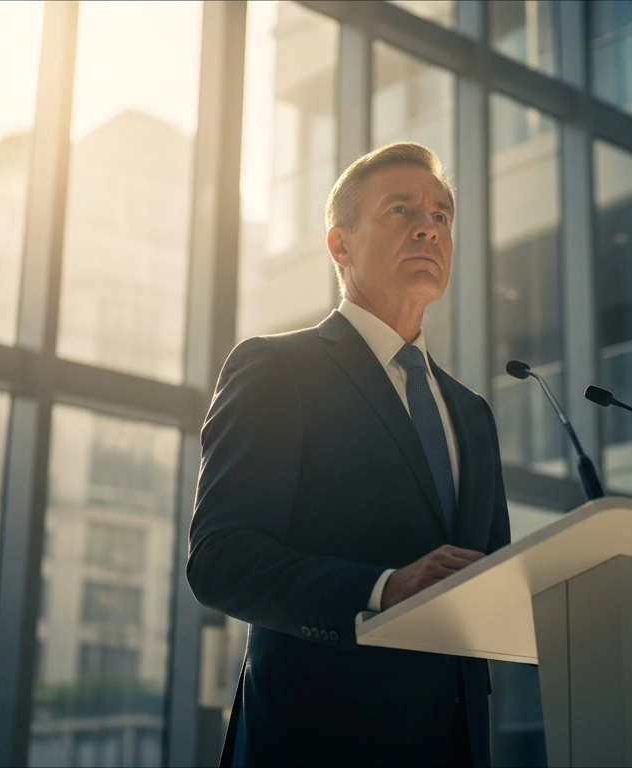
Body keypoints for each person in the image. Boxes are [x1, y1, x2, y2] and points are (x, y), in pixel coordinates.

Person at [187, 142, 512, 767]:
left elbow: (488, 580)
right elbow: (222, 561)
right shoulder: (277, 368)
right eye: (401, 209)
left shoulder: (472, 414)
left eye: (441, 215)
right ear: (340, 245)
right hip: (314, 742)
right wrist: (383, 588)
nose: (428, 226)